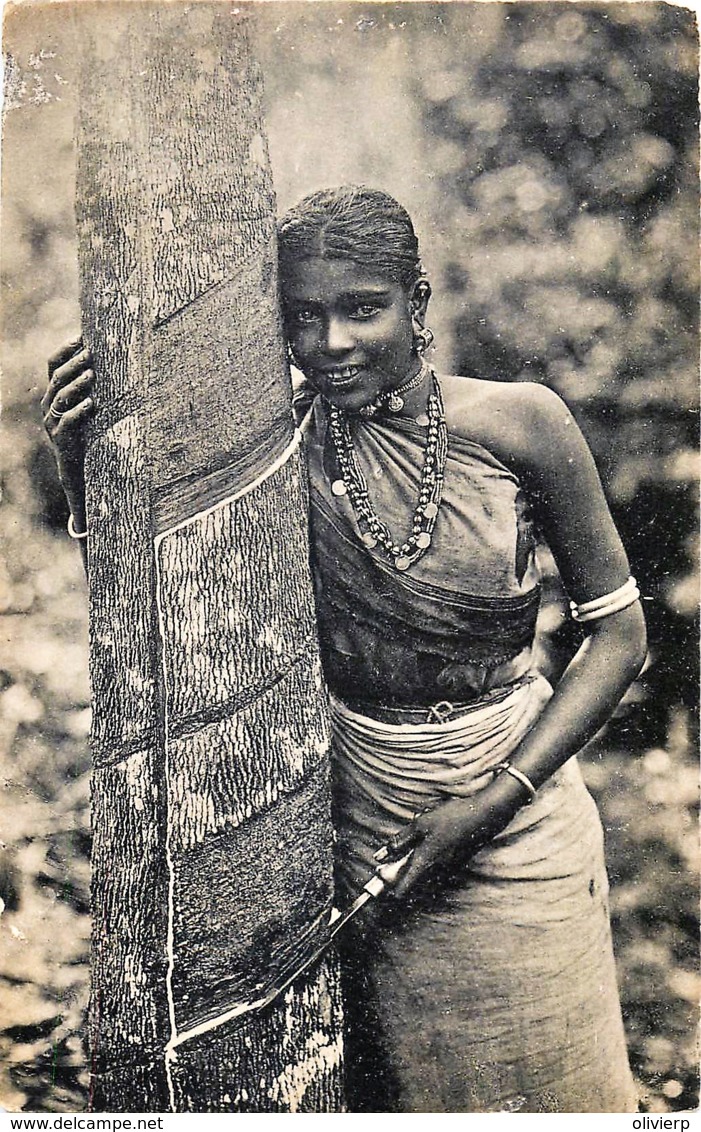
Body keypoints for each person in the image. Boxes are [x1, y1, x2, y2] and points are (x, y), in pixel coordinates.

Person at [42, 185, 646, 1114]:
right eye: (302, 317)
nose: (331, 343)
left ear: (419, 302)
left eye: (362, 307)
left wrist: (489, 806)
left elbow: (619, 633)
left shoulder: (520, 422)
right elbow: (172, 610)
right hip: (355, 825)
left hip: (517, 815)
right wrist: (86, 466)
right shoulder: (271, 447)